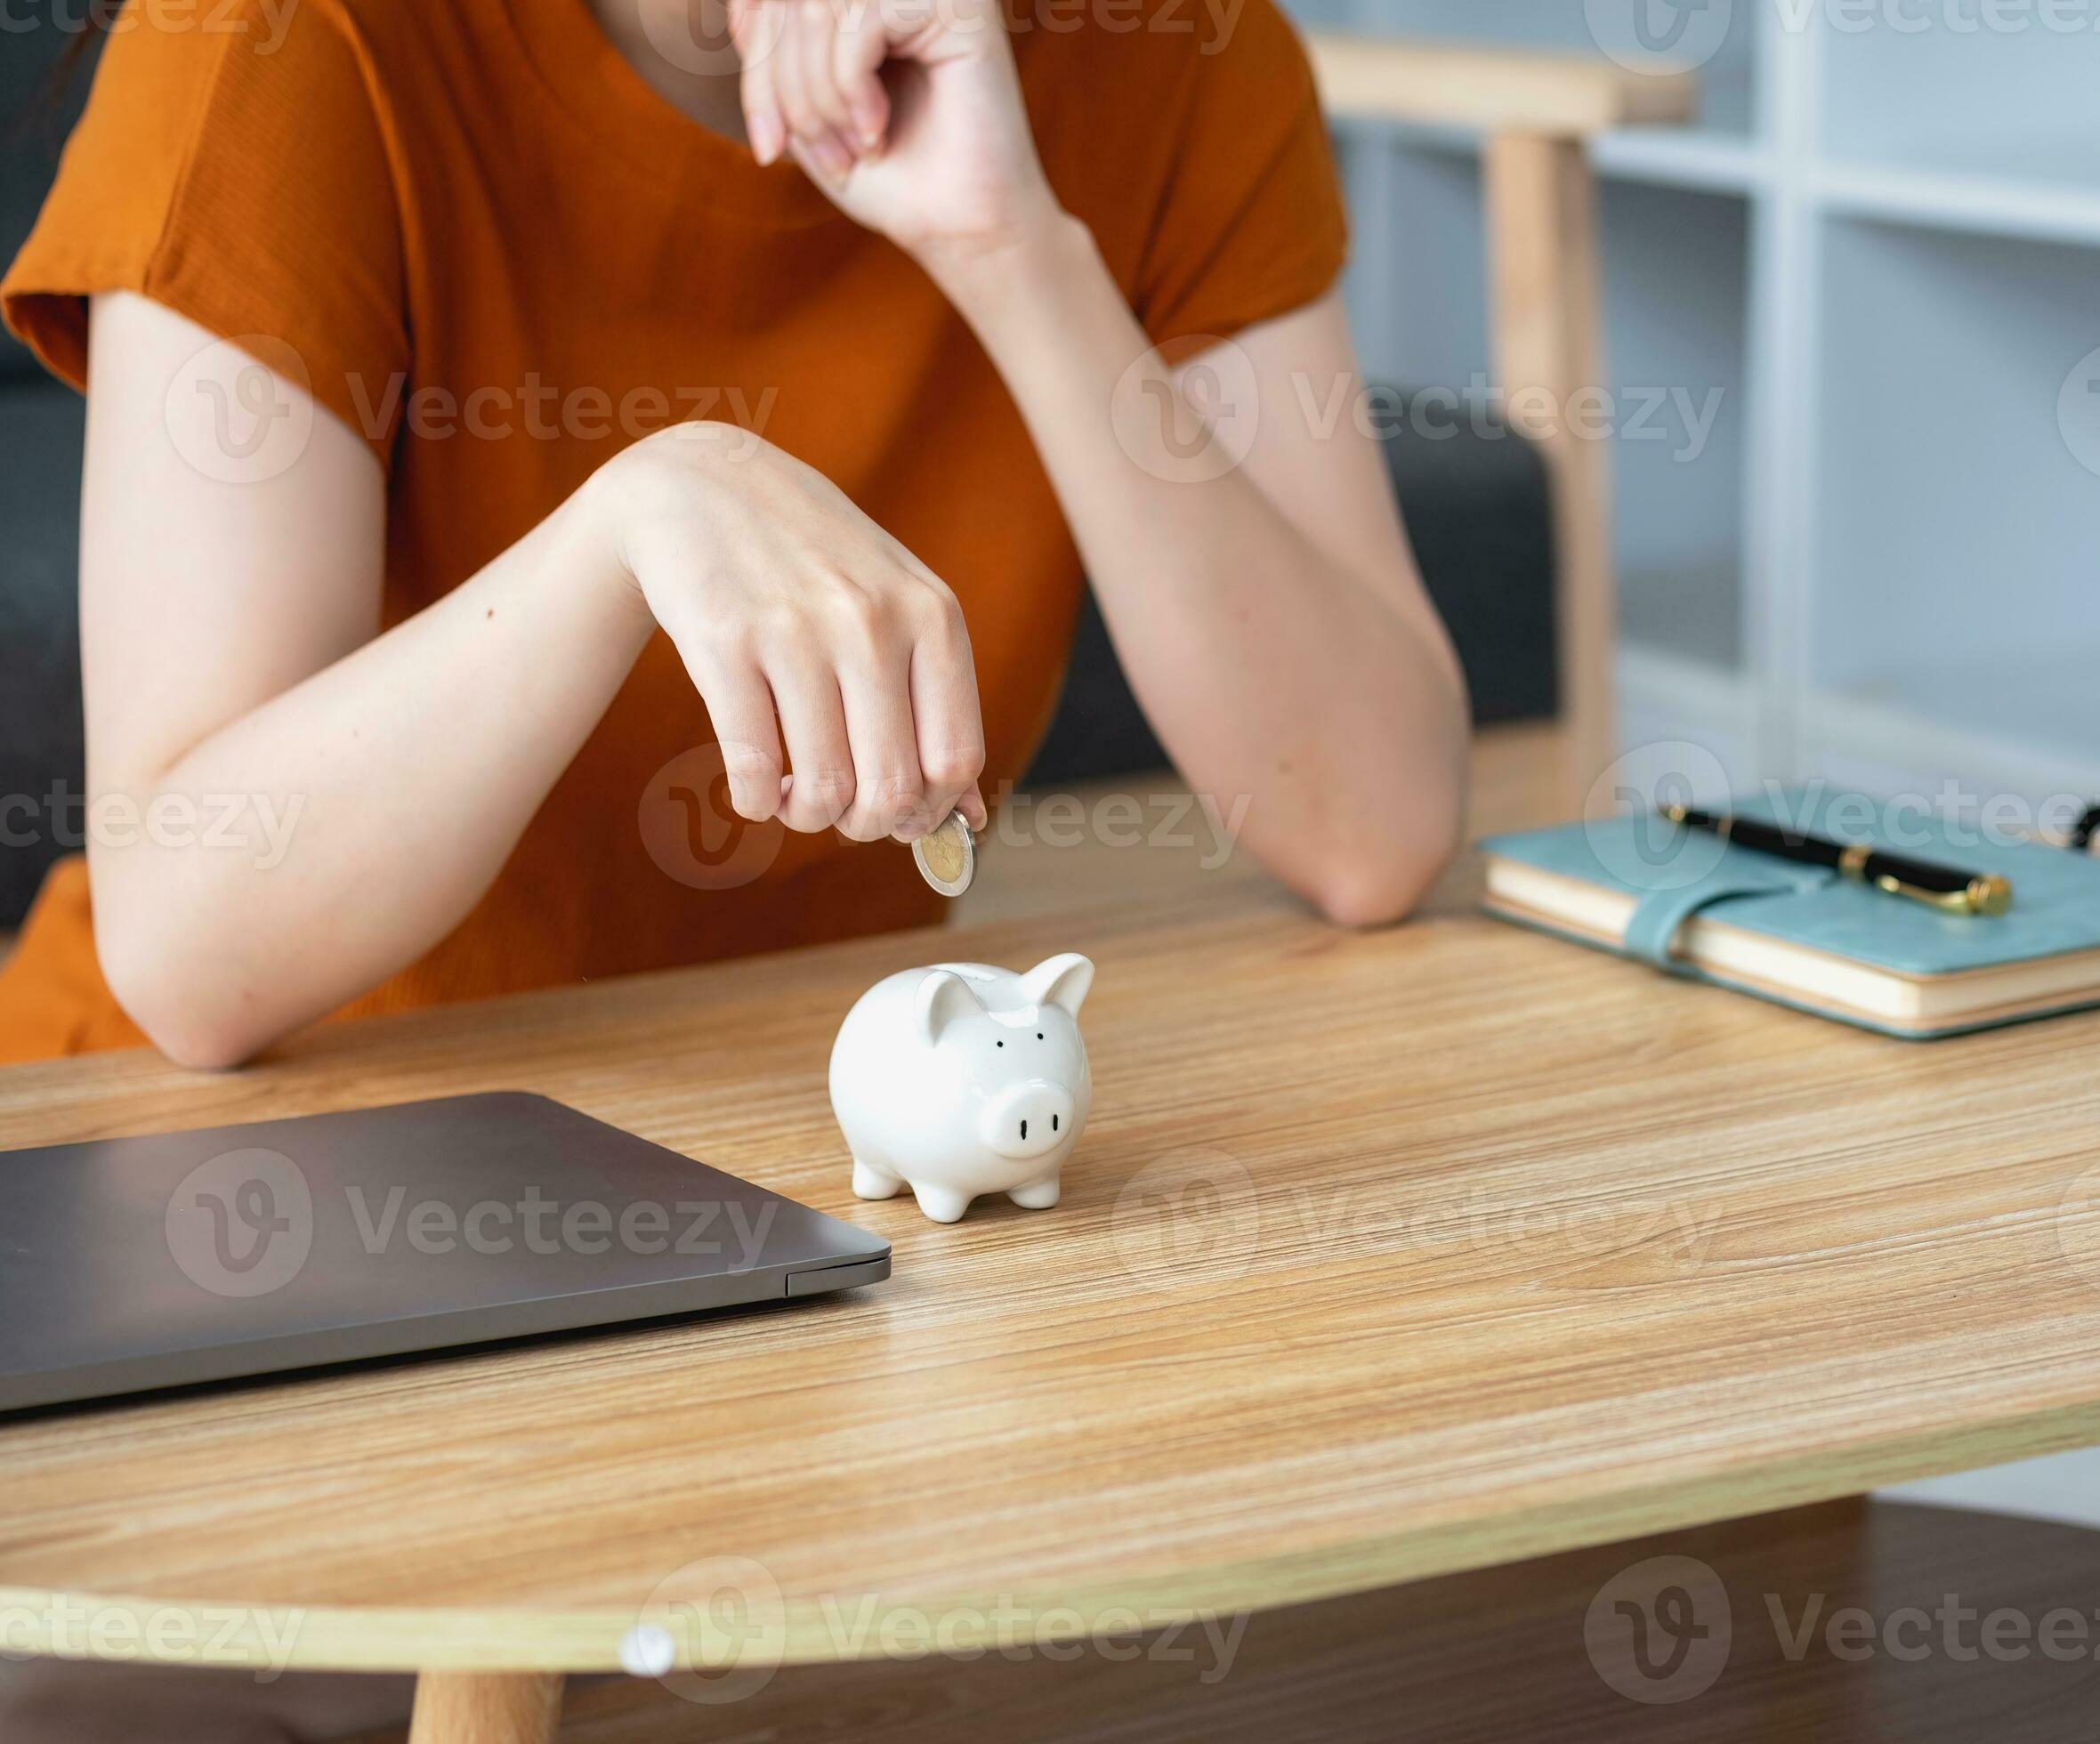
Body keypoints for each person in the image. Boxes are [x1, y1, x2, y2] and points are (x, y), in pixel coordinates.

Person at [0, 0, 1467, 1074]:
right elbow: (187, 951)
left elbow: (1373, 828)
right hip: (221, 1152)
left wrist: (1011, 247)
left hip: (790, 1143)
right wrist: (638, 522)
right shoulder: (280, 40)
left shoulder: (1173, 50)